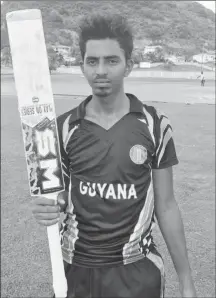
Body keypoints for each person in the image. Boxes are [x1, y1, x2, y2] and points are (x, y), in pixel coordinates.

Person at [32, 12, 197, 298]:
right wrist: (48, 206)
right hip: (75, 268)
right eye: (92, 61)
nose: (101, 71)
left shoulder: (155, 126)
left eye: (111, 60)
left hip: (136, 270)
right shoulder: (60, 129)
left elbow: (167, 206)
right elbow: (59, 196)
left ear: (128, 66)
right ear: (82, 65)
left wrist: (186, 281)